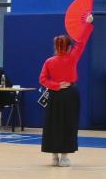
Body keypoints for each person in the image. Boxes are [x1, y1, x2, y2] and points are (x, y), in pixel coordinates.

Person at [40, 15, 93, 167]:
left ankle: (54, 157)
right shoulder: (73, 57)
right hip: (70, 94)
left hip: (54, 95)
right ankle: (64, 157)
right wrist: (87, 24)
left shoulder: (49, 61)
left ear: (56, 47)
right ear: (69, 47)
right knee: (68, 124)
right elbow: (81, 42)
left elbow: (42, 79)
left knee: (53, 124)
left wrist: (56, 85)